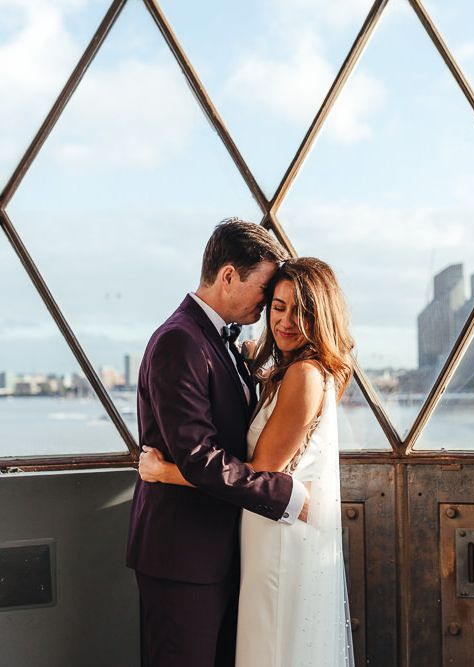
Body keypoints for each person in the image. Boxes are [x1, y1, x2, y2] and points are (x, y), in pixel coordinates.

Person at [139, 257, 356, 666]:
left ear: (323, 315)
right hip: (252, 534)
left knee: (270, 647)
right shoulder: (285, 369)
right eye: (277, 306)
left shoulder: (305, 375)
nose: (286, 321)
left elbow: (261, 469)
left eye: (303, 311)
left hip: (275, 537)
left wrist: (164, 471)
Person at [126, 219, 309, 667]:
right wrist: (281, 495)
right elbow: (199, 458)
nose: (267, 304)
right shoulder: (179, 341)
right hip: (183, 555)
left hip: (218, 551)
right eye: (265, 290)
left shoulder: (221, 340)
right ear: (228, 276)